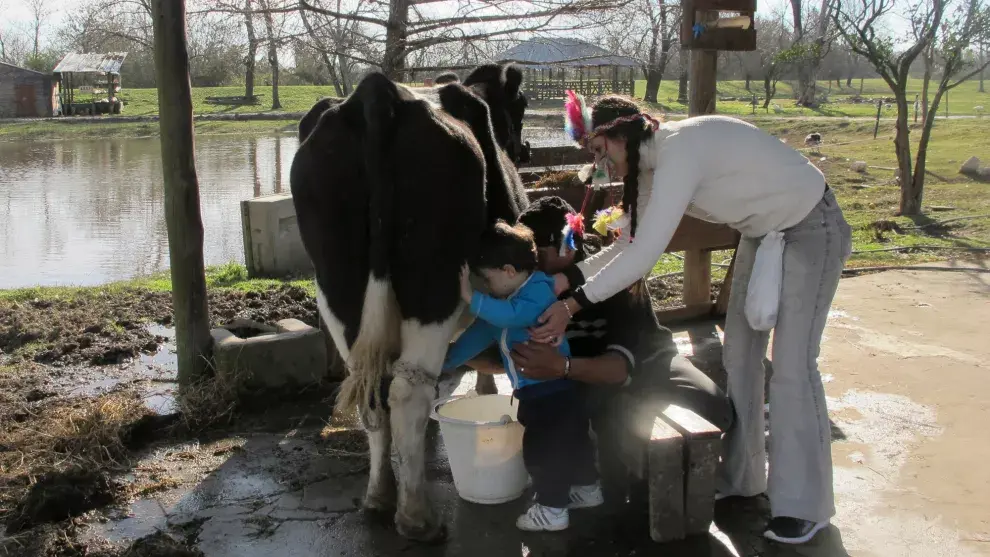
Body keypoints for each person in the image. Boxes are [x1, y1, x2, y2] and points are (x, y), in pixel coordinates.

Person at [529, 95, 853, 545]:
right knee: (740, 356)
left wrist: (572, 304)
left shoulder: (679, 152)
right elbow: (628, 243)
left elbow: (645, 254)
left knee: (793, 368)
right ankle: (744, 476)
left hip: (811, 226)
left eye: (600, 149)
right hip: (764, 235)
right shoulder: (648, 168)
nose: (599, 163)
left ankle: (804, 505)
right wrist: (568, 279)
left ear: (622, 134)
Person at [464, 196, 734, 508]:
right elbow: (506, 357)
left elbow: (619, 368)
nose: (529, 261)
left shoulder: (615, 275)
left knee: (714, 410)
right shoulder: (524, 282)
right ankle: (601, 455)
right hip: (581, 381)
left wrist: (560, 367)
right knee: (584, 419)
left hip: (646, 363)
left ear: (567, 246)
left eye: (536, 253)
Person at [442, 220, 601, 532]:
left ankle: (551, 511)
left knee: (543, 452)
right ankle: (587, 490)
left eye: (486, 280)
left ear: (509, 271)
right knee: (572, 443)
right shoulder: (507, 301)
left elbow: (514, 318)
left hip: (553, 392)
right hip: (543, 393)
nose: (485, 288)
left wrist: (471, 298)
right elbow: (483, 331)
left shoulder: (538, 292)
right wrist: (447, 360)